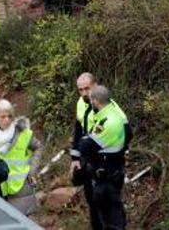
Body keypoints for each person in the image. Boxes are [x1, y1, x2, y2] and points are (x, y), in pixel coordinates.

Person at [77, 85, 132, 230]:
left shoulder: (108, 121)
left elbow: (85, 146)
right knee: (107, 214)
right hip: (110, 171)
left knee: (111, 219)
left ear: (95, 101)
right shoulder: (113, 112)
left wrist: (85, 139)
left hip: (107, 176)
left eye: (90, 99)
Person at [0, 99, 42, 215]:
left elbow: (38, 148)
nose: (7, 120)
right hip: (0, 188)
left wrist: (32, 170)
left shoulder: (24, 133)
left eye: (9, 116)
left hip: (22, 187)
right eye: (2, 117)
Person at [70, 72, 100, 229]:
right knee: (91, 201)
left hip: (104, 161)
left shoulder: (105, 104)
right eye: (80, 90)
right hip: (87, 160)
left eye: (86, 88)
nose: (83, 93)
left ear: (95, 86)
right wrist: (75, 158)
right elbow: (78, 130)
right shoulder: (81, 103)